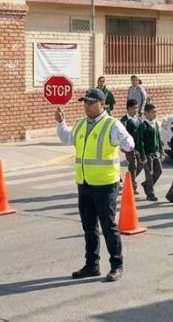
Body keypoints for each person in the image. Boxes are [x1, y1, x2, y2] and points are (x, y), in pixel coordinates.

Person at [55, 88, 135, 282]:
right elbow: (67, 138)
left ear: (102, 104)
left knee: (108, 226)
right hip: (84, 183)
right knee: (89, 227)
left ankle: (117, 265)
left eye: (90, 102)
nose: (87, 106)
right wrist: (61, 122)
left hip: (105, 184)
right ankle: (92, 265)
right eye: (85, 102)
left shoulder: (111, 124)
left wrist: (124, 140)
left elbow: (129, 144)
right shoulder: (82, 124)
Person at [136, 103, 163, 202]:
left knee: (159, 171)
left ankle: (146, 185)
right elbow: (140, 143)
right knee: (149, 174)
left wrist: (161, 151)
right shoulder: (142, 126)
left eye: (155, 112)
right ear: (146, 113)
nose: (155, 114)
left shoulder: (155, 124)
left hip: (155, 153)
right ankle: (150, 194)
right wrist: (142, 156)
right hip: (147, 154)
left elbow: (159, 138)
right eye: (152, 112)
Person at [119, 98, 142, 194]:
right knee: (133, 164)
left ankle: (129, 181)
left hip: (139, 146)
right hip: (128, 147)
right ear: (128, 109)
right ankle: (133, 186)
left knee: (140, 165)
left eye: (136, 108)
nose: (135, 110)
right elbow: (122, 133)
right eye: (133, 108)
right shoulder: (124, 120)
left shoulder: (139, 119)